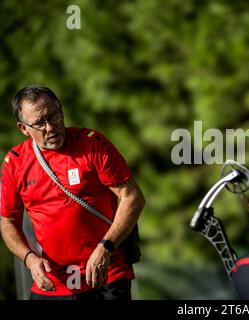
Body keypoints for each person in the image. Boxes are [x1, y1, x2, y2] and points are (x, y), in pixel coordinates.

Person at [0, 85, 146, 300]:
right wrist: (30, 259)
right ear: (23, 128)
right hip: (53, 282)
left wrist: (105, 247)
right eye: (40, 123)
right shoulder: (15, 163)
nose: (50, 127)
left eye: (54, 116)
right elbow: (8, 221)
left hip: (106, 273)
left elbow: (132, 197)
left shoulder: (91, 144)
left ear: (61, 111)